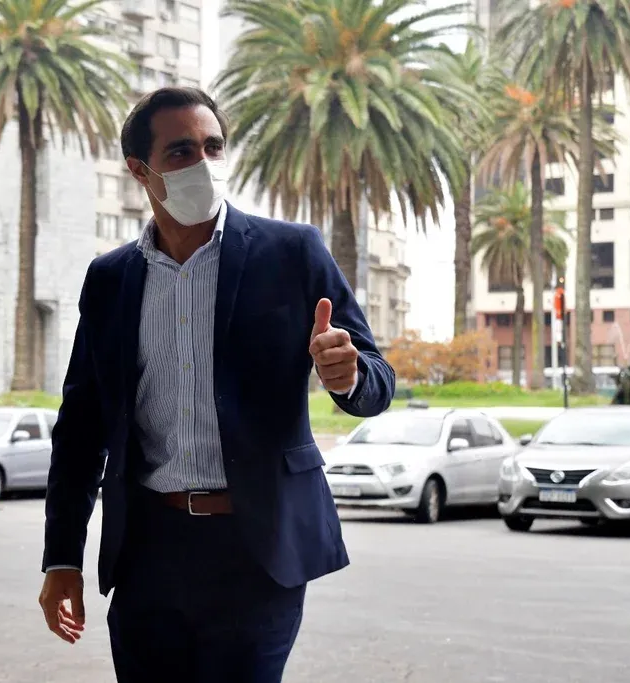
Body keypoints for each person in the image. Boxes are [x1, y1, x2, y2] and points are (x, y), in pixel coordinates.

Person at [38, 87, 395, 683]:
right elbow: (80, 429)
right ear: (140, 171)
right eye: (181, 151)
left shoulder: (292, 253)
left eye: (213, 146)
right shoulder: (109, 279)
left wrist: (350, 374)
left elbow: (377, 378)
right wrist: (61, 559)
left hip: (257, 550)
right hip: (148, 551)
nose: (203, 163)